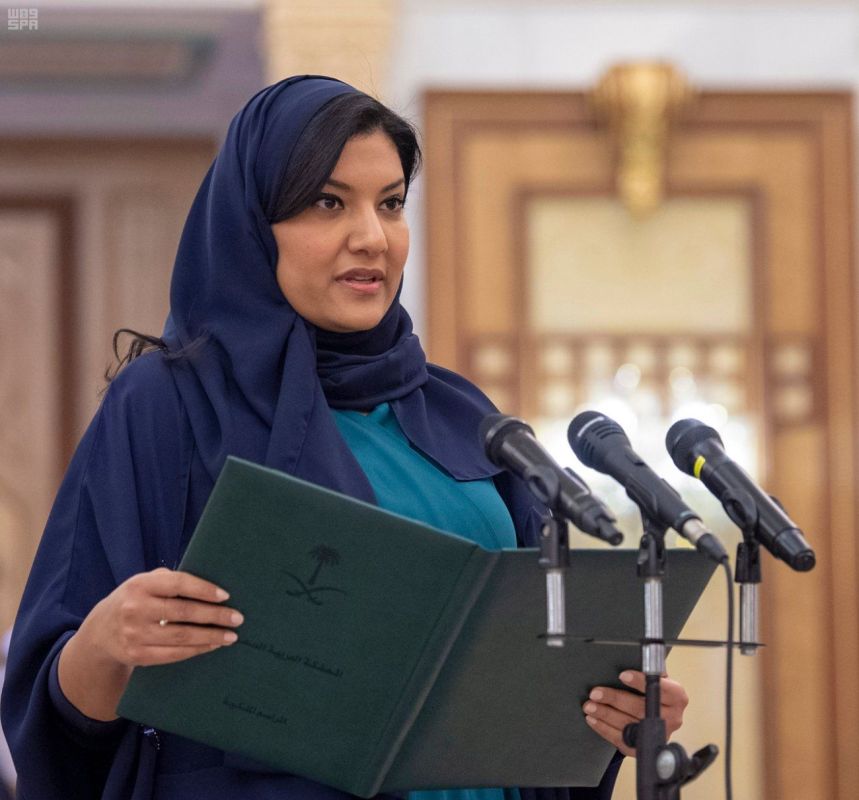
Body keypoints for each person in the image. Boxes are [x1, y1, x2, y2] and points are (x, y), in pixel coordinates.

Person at [0, 75, 688, 800]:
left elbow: (529, 684)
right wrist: (107, 642)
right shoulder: (170, 403)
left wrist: (611, 718)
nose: (372, 237)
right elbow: (52, 715)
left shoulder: (464, 416)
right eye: (329, 203)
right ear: (252, 223)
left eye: (390, 203)